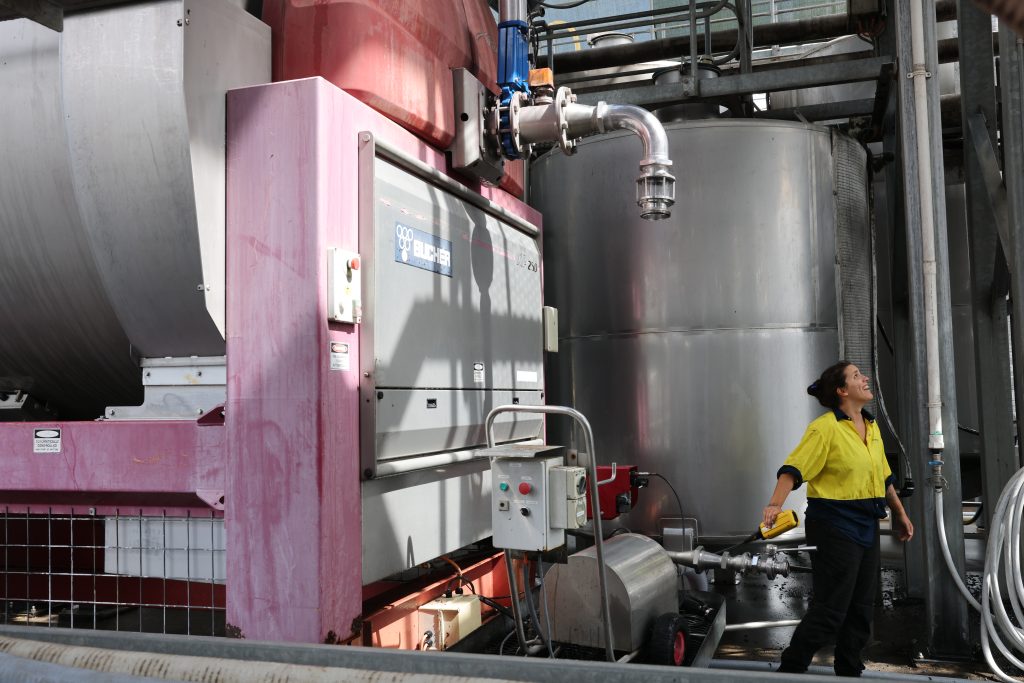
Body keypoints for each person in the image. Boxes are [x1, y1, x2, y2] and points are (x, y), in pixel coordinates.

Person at [763, 361, 914, 677]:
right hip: (834, 524)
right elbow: (794, 469)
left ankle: (849, 669)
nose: (865, 378)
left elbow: (884, 477)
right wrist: (774, 505)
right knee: (831, 608)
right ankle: (791, 669)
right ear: (842, 391)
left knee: (861, 607)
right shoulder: (825, 428)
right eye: (857, 376)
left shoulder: (871, 427)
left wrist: (899, 515)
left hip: (866, 523)